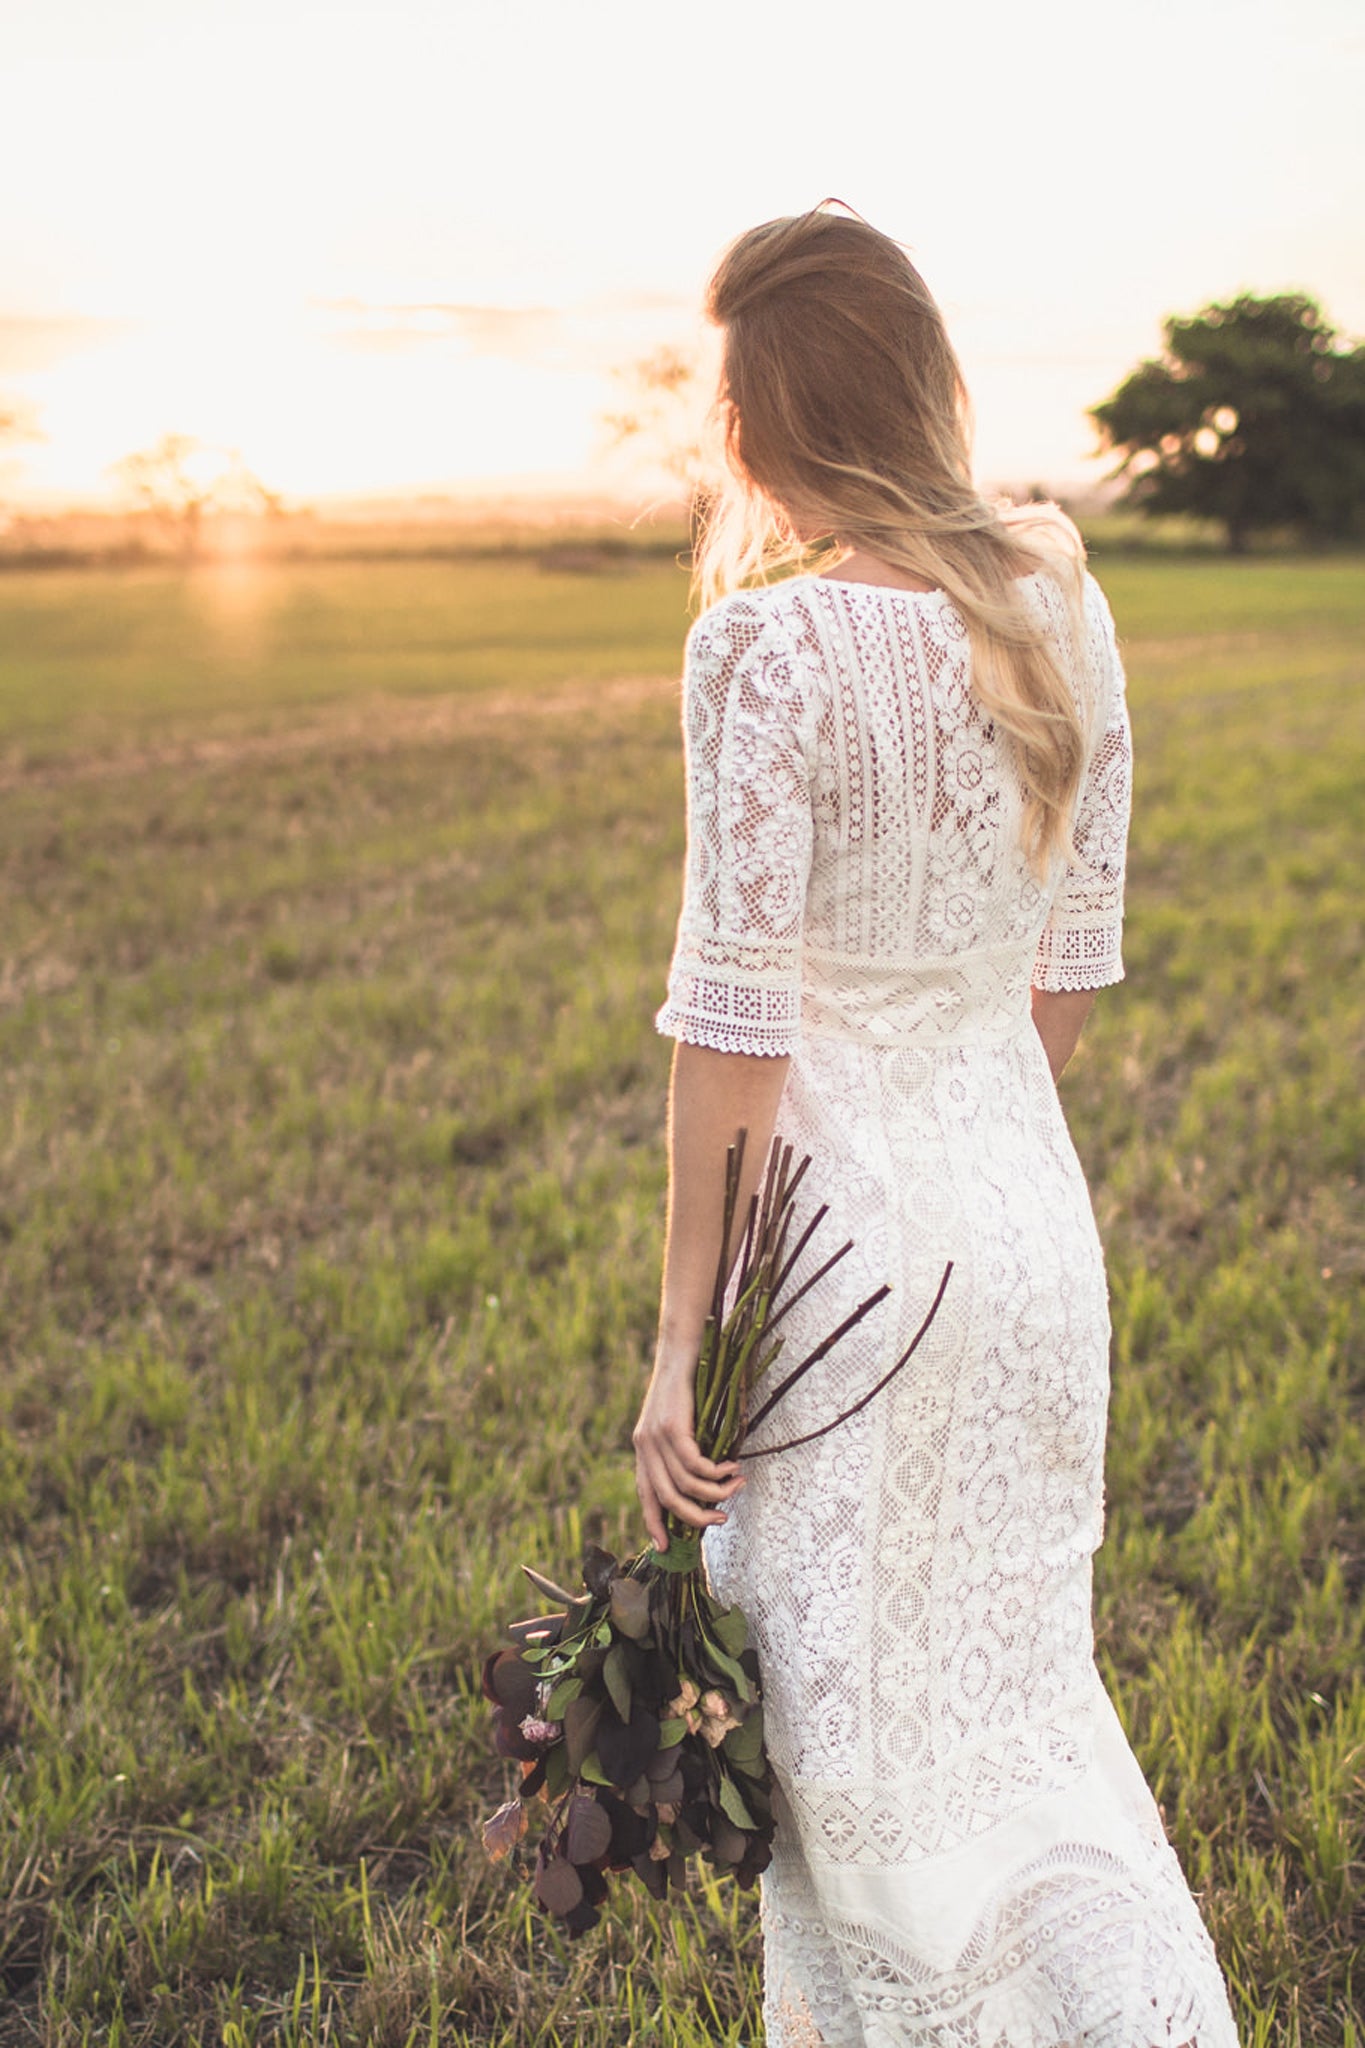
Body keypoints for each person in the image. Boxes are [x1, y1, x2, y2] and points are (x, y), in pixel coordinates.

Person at [632, 206, 1240, 2046]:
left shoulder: (767, 655)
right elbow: (1068, 973)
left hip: (839, 1280)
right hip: (1029, 1243)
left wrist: (680, 1347)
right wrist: (966, 1131)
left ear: (758, 424)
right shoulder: (1061, 609)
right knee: (1025, 1736)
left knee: (865, 1808)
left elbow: (732, 1039)